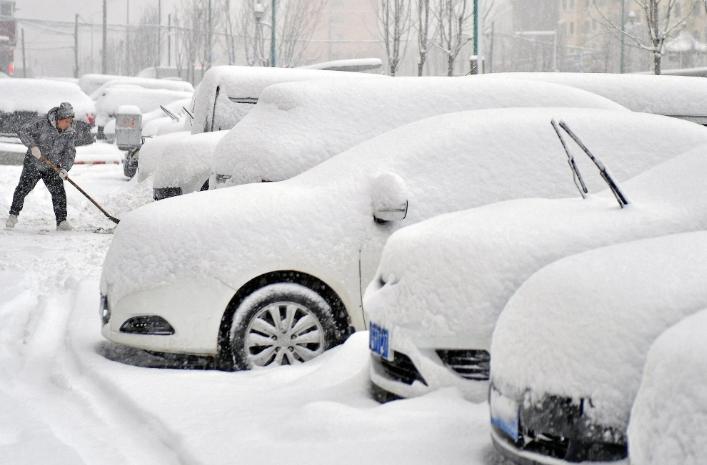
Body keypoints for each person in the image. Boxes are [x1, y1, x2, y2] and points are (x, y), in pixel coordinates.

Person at [5, 102, 77, 231]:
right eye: (66, 121)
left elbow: (69, 152)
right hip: (34, 162)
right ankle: (13, 215)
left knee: (58, 192)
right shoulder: (42, 123)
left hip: (52, 166)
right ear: (58, 119)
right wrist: (32, 146)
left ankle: (61, 221)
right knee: (23, 188)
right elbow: (22, 130)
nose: (68, 124)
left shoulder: (69, 133)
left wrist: (65, 168)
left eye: (70, 121)